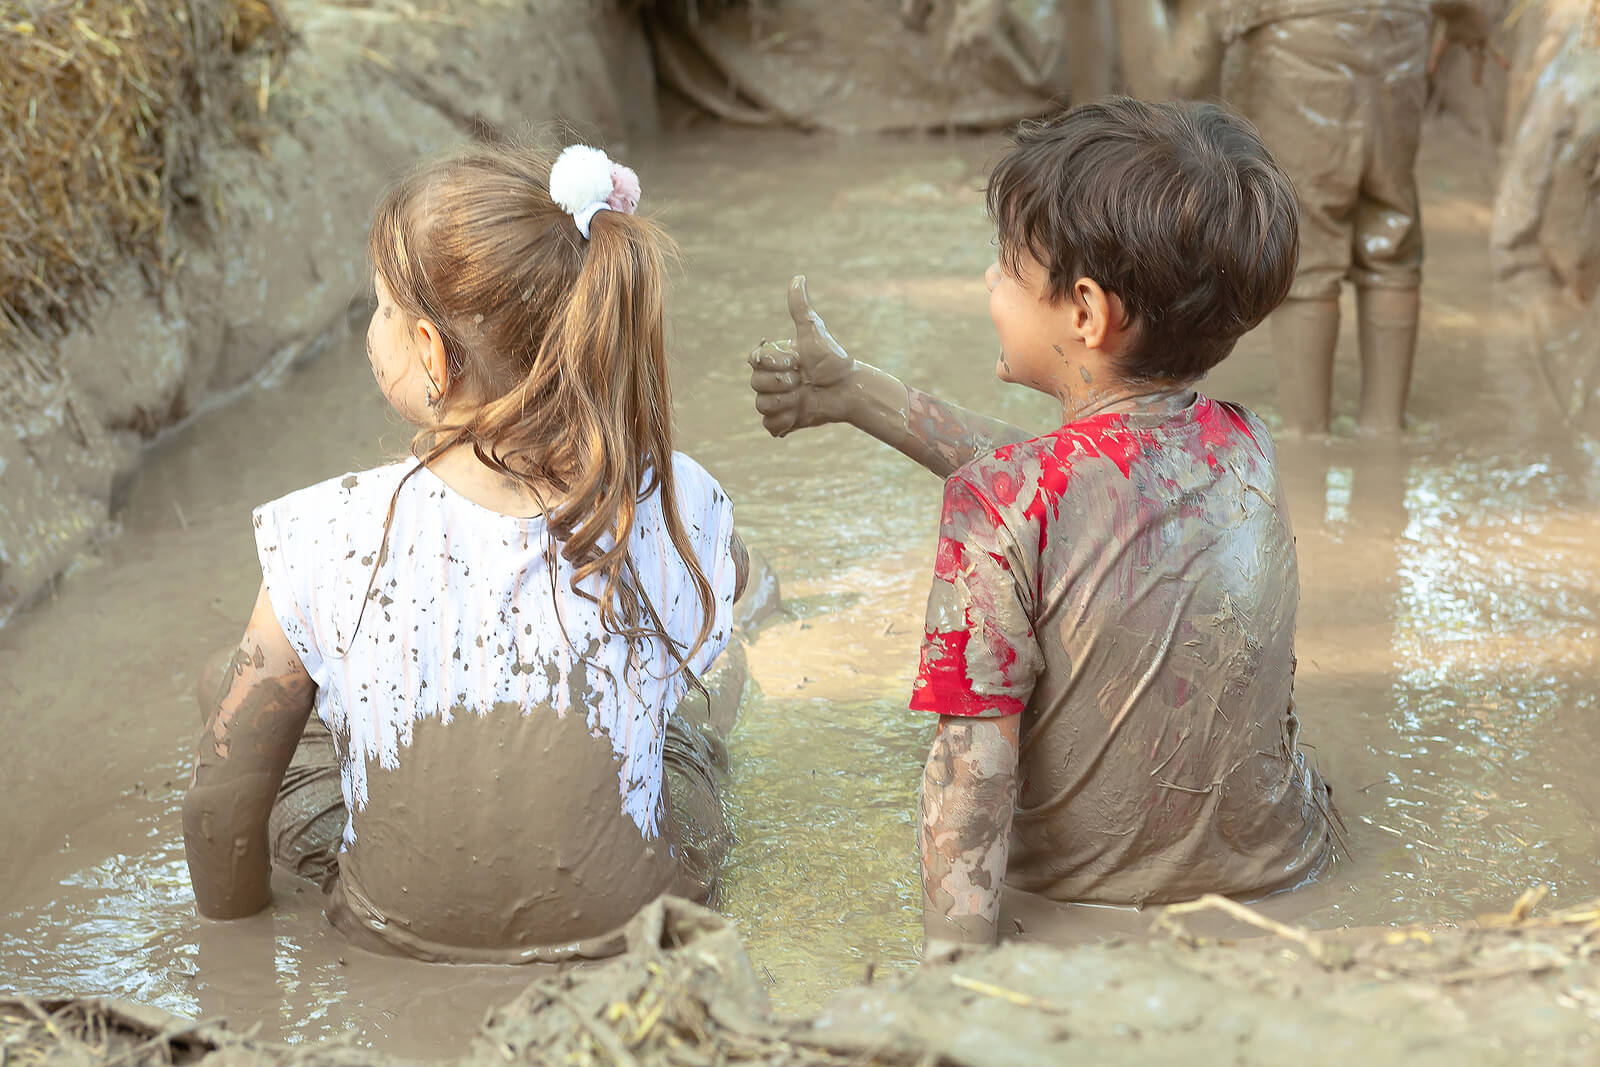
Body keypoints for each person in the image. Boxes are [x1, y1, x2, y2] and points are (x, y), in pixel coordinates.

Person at [750, 98, 1336, 961]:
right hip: (1280, 872)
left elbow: (973, 772)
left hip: (1087, 906)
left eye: (1008, 267)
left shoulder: (1001, 502)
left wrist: (954, 972)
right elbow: (1084, 486)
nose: (991, 282)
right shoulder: (1245, 445)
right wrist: (860, 396)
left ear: (1088, 314)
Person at [183, 141, 749, 963]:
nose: (370, 331)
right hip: (632, 924)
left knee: (229, 687)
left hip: (389, 935)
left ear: (432, 353)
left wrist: (234, 962)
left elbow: (217, 814)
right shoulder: (676, 495)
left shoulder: (328, 528)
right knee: (683, 737)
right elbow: (698, 629)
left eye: (380, 311)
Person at [1105, 1, 1498, 435]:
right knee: (1391, 234)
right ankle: (1385, 428)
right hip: (1398, 43)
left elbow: (1181, 73)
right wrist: (1472, 24)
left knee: (1307, 242)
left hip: (1295, 49)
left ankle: (1307, 433)